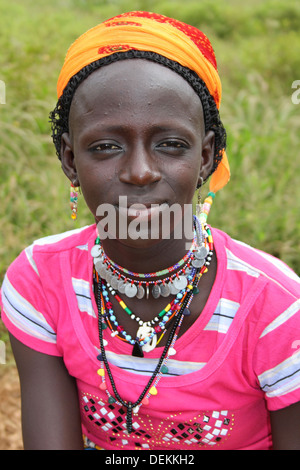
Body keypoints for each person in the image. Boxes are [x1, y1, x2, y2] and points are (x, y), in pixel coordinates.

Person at [1, 11, 300, 451]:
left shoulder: (275, 310)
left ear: (206, 157)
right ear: (69, 160)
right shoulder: (40, 283)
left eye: (170, 145)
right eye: (106, 146)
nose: (139, 172)